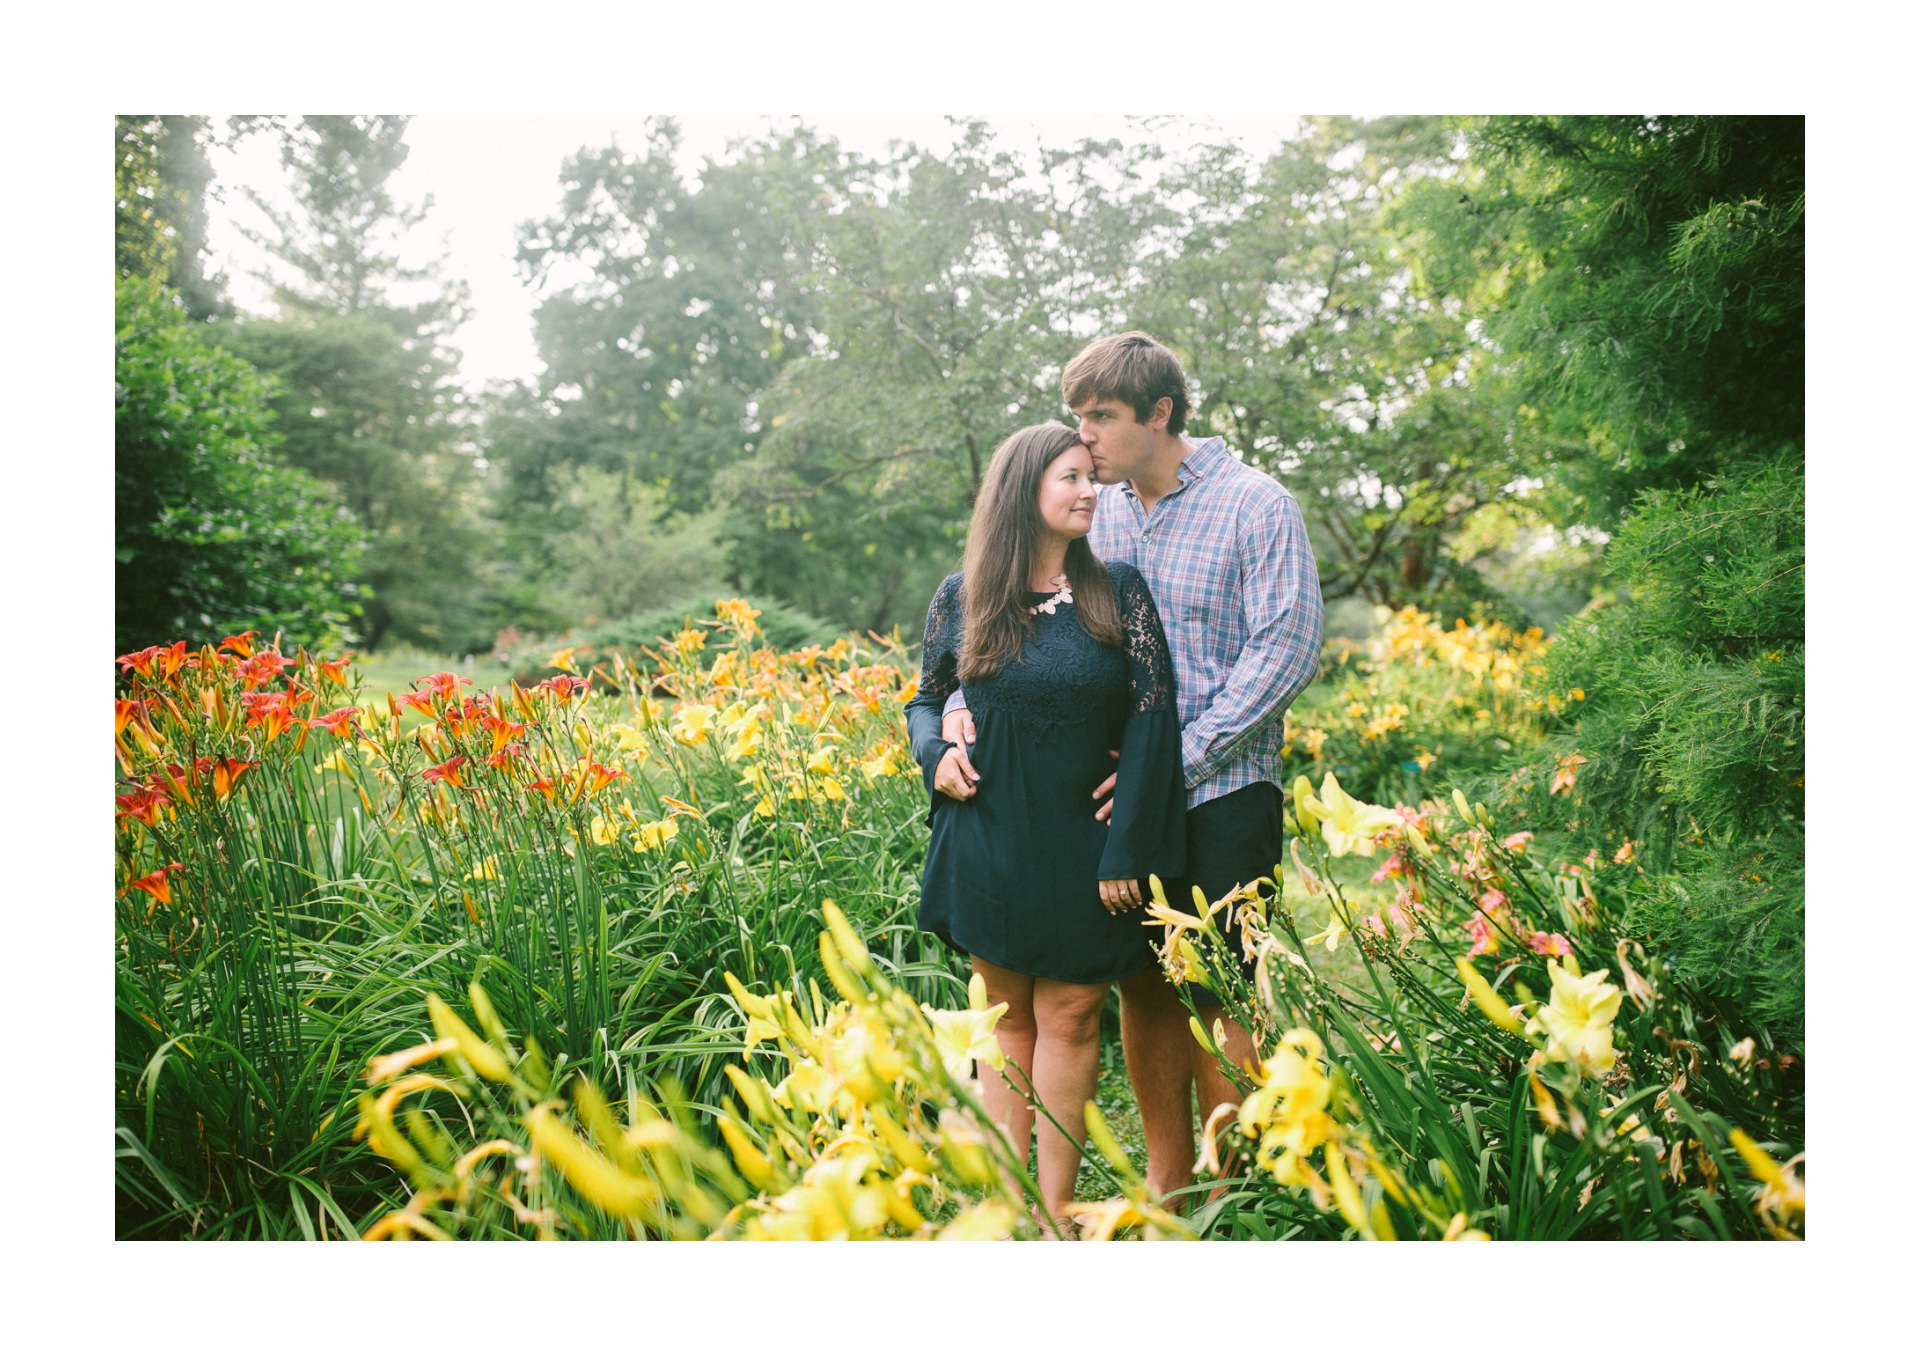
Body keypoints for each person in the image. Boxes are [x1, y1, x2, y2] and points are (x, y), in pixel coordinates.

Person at [943, 333, 1323, 1205]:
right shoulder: (1097, 508)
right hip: (1107, 800)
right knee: (1146, 987)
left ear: (1160, 413)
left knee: (1222, 990)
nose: (1087, 437)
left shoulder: (1255, 506)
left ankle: (1238, 1190)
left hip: (1224, 787)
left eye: (1102, 417)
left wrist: (1173, 764)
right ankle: (1168, 1188)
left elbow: (1287, 649)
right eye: (1079, 418)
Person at [904, 422, 1186, 1235]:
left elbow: (1152, 717)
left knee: (1068, 1016)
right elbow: (926, 697)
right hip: (986, 835)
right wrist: (935, 755)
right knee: (1006, 1018)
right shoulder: (964, 596)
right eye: (1071, 477)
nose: (1090, 491)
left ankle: (1056, 1209)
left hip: (1085, 844)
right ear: (1024, 489)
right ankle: (1005, 1207)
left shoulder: (1117, 590)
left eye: (1090, 477)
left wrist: (1128, 840)